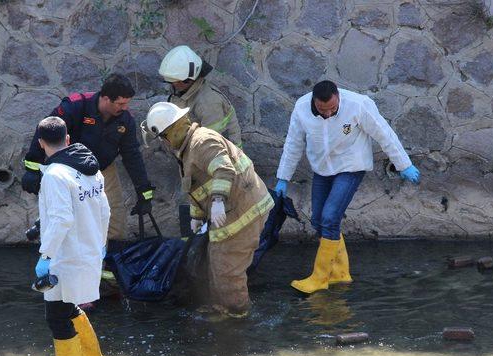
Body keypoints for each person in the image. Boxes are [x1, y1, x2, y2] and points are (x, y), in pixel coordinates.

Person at [274, 80, 421, 295]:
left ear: (338, 98)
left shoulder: (359, 104)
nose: (328, 113)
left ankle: (320, 277)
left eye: (333, 109)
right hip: (322, 168)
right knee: (318, 221)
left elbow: (384, 133)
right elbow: (293, 143)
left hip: (351, 166)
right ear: (314, 102)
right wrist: (283, 178)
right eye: (323, 110)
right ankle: (341, 273)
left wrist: (404, 165)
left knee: (330, 217)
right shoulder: (301, 108)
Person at [142, 102, 273, 316]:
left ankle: (237, 315)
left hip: (243, 211)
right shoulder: (187, 149)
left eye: (163, 137)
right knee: (215, 259)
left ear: (171, 132)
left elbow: (224, 170)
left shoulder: (202, 143)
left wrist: (219, 201)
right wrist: (197, 216)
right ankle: (223, 306)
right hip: (234, 211)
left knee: (227, 268)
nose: (164, 144)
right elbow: (199, 187)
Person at [22, 74, 154, 247]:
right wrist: (32, 168)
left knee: (115, 220)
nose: (125, 107)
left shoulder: (125, 120)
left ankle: (111, 267)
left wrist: (143, 190)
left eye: (127, 102)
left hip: (104, 170)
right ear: (106, 98)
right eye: (121, 103)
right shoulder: (76, 106)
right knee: (73, 219)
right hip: (70, 172)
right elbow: (46, 131)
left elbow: (132, 155)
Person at [33, 116, 111, 356]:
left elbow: (62, 218)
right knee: (67, 308)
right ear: (67, 139)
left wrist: (46, 256)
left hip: (64, 256)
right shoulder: (91, 170)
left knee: (56, 316)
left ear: (41, 143)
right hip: (89, 251)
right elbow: (105, 211)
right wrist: (101, 246)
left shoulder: (54, 175)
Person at [159, 45, 242, 147]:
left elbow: (210, 145)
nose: (172, 85)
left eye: (174, 81)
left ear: (187, 80)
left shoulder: (208, 103)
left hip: (219, 157)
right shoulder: (183, 91)